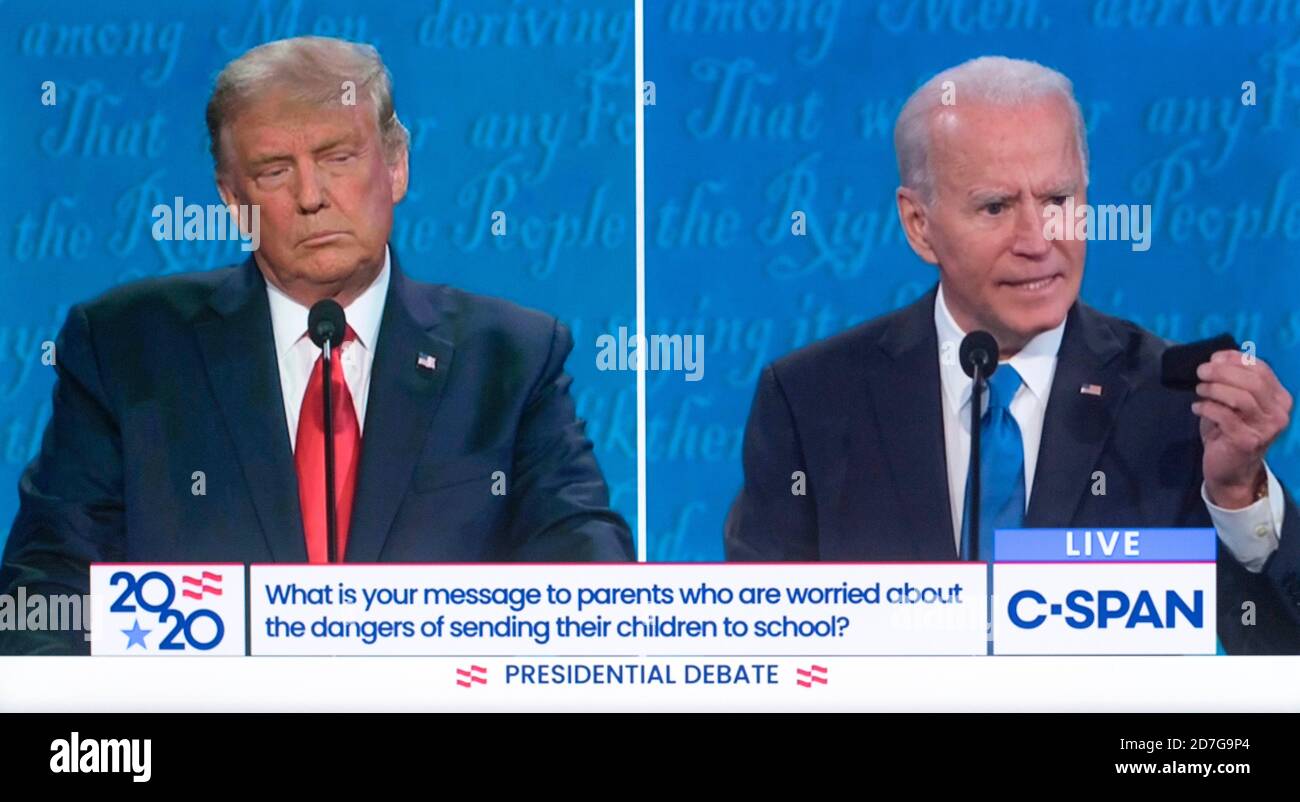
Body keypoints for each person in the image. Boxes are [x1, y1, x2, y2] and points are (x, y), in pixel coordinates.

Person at [1, 36, 632, 655]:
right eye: (275, 171)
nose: (311, 197)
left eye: (338, 158)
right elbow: (48, 589)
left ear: (396, 165)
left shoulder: (510, 359)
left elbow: (586, 578)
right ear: (231, 199)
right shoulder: (127, 350)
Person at [724, 56, 1300, 654]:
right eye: (996, 207)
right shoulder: (812, 400)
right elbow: (764, 650)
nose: (1037, 240)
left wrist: (1239, 497)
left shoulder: (1172, 403)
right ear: (919, 225)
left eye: (1058, 198)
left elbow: (1280, 653)